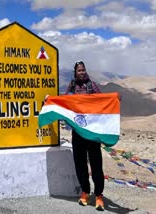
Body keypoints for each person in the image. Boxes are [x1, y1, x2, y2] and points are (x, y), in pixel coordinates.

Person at [65, 61, 105, 211]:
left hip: (92, 132)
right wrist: (51, 100)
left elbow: (102, 101)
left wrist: (114, 98)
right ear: (75, 72)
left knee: (96, 163)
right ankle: (85, 192)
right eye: (79, 70)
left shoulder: (92, 86)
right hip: (77, 132)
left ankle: (99, 195)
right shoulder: (72, 87)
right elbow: (65, 102)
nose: (81, 72)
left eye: (83, 70)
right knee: (80, 163)